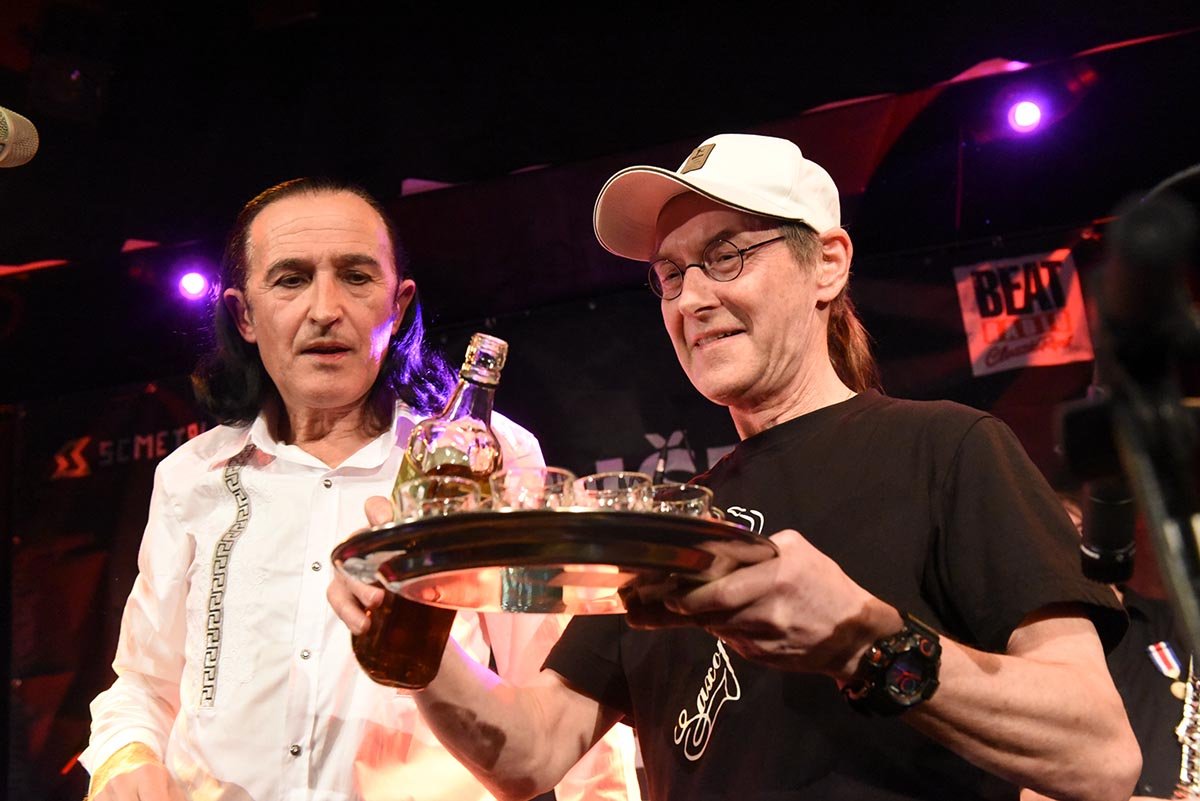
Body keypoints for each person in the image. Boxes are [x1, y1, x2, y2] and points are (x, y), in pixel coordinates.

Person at [329, 133, 1145, 801]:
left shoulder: (949, 449)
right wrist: (415, 636)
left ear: (828, 263)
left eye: (726, 257)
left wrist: (865, 641)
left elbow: (1100, 753)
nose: (690, 299)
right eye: (670, 275)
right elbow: (531, 753)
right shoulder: (663, 527)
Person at [80, 178, 638, 801]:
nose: (325, 309)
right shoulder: (191, 476)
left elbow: (562, 696)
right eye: (291, 279)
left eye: (355, 277)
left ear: (398, 306)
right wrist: (125, 761)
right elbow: (144, 685)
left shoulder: (487, 459)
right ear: (244, 316)